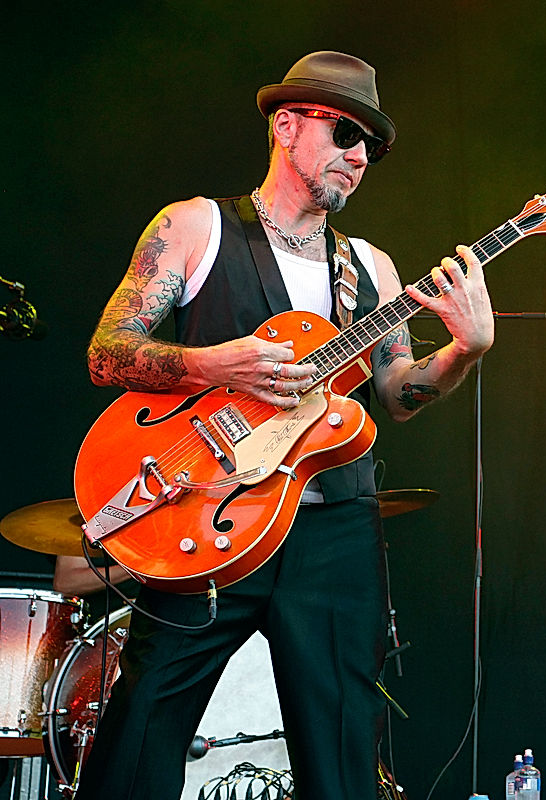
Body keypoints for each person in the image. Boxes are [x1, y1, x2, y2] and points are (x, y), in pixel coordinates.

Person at [76, 51, 494, 800]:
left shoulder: (369, 266)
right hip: (205, 514)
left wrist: (465, 350)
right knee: (140, 737)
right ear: (287, 125)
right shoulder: (196, 226)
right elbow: (108, 354)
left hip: (333, 529)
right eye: (344, 133)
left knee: (342, 754)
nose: (359, 156)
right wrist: (216, 365)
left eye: (371, 145)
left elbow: (398, 393)